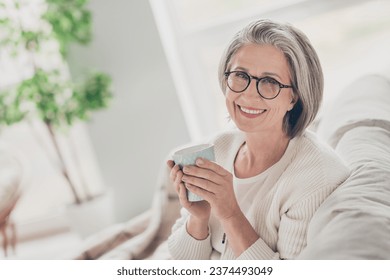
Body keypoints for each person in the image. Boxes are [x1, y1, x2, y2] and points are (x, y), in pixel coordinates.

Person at [166, 19, 350, 260]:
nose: (249, 94)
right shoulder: (219, 147)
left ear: (294, 97)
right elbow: (181, 261)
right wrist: (198, 218)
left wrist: (230, 214)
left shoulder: (316, 177)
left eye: (270, 82)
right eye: (240, 75)